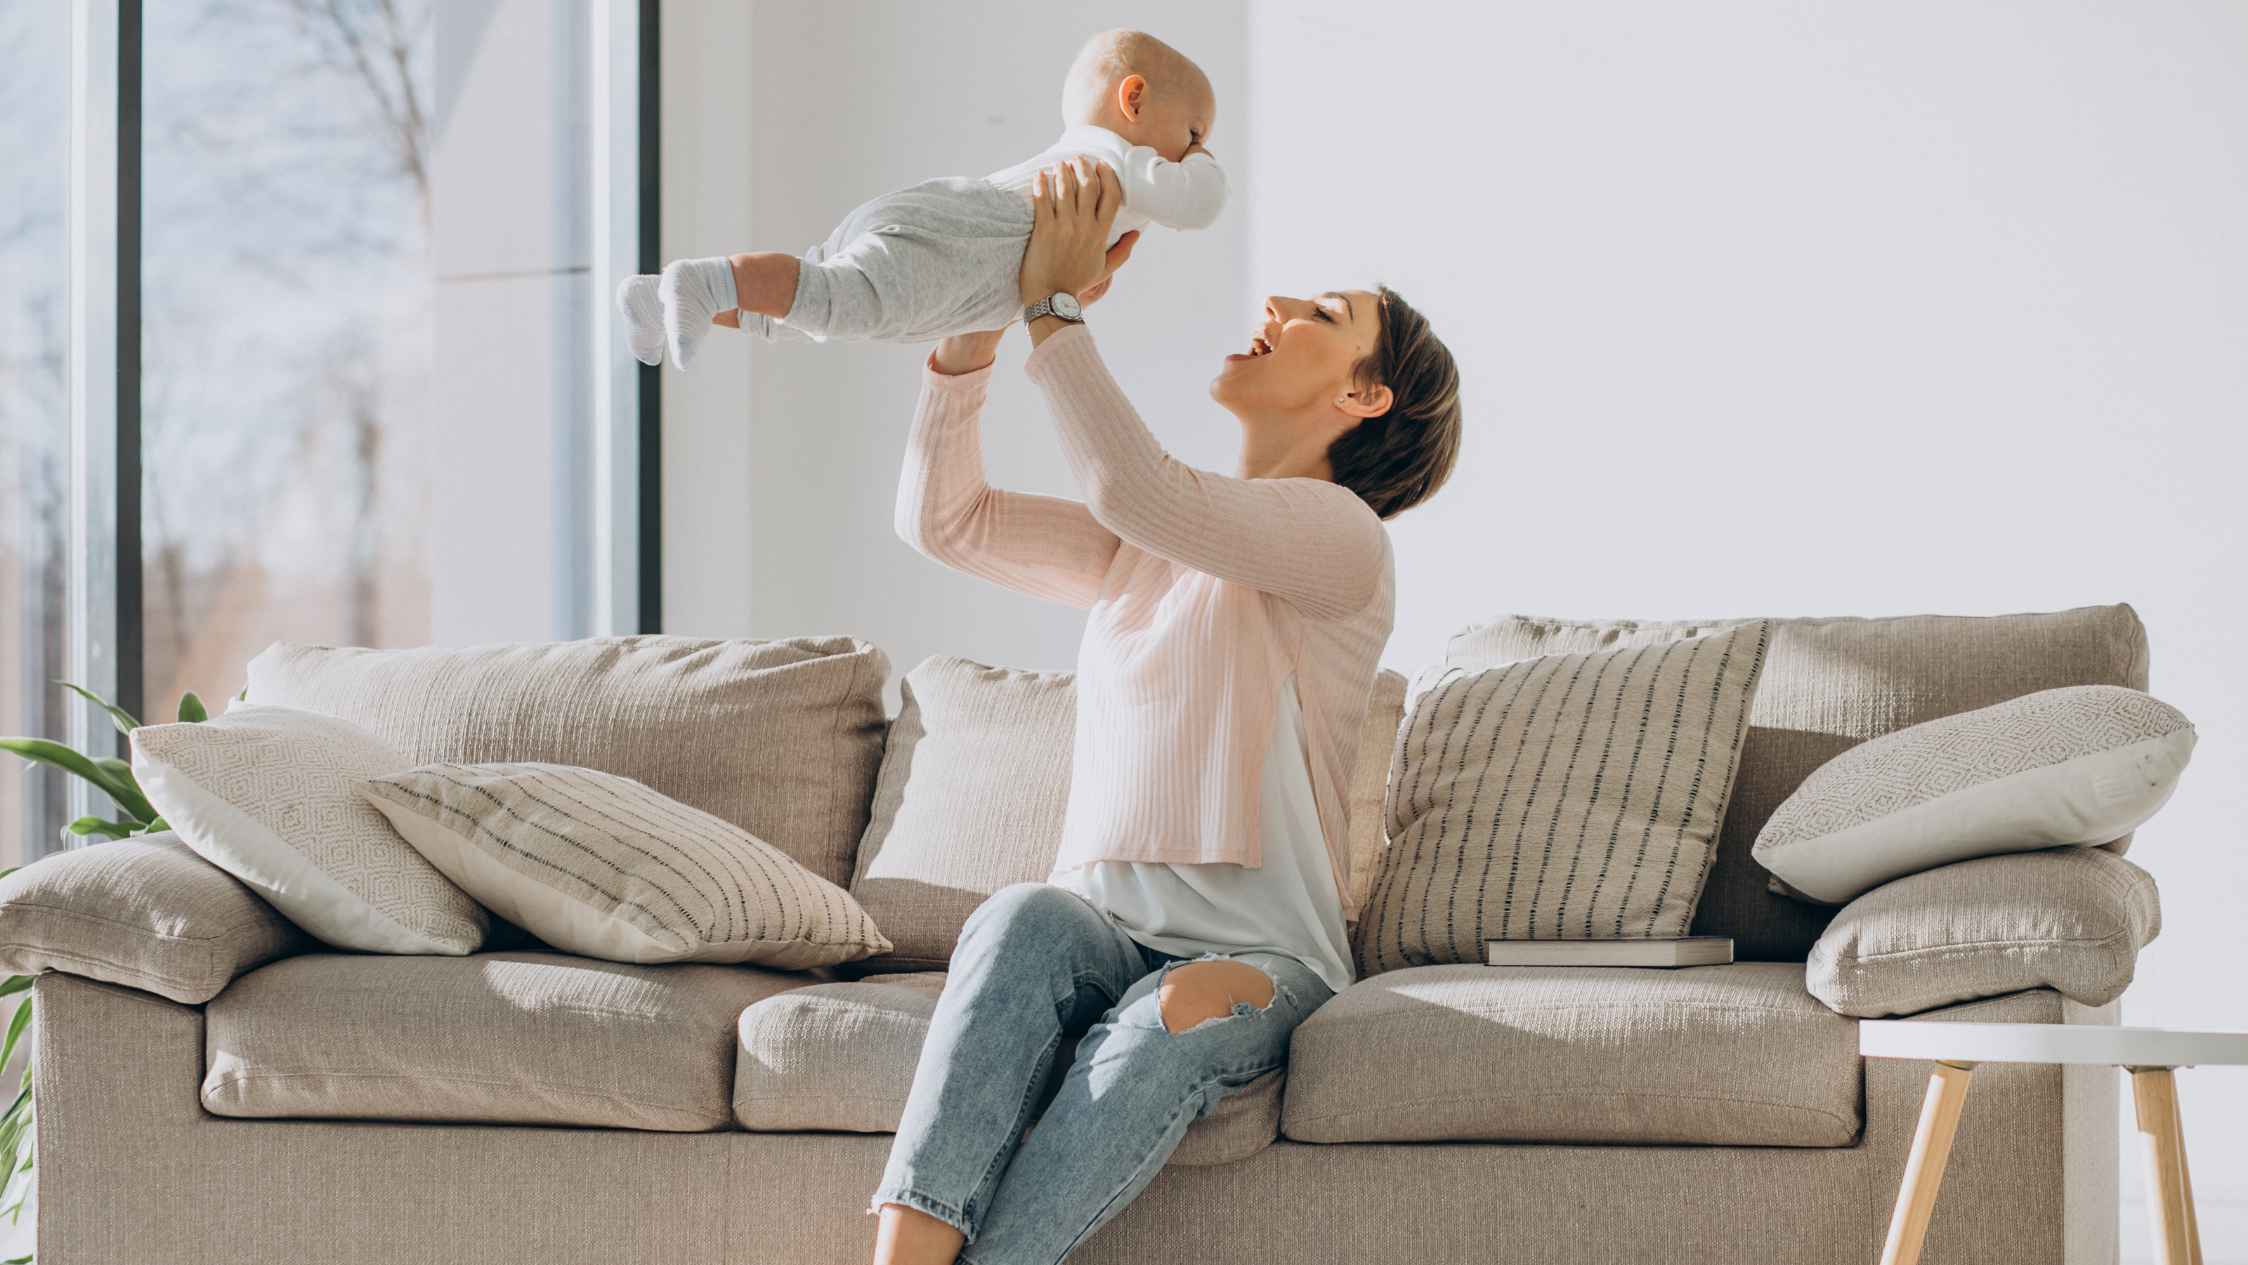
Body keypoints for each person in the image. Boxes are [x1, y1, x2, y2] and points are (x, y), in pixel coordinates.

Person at [867, 156, 1463, 1265]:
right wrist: (971, 327)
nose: (1278, 306)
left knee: (1170, 1018)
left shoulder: (1342, 537)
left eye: (1325, 316)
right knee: (1016, 919)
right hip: (1100, 926)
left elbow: (1139, 486)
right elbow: (945, 522)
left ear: (1362, 395)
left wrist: (1052, 308)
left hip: (1260, 954)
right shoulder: (1153, 541)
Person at [617, 28, 1225, 367]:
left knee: (806, 311)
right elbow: (1201, 204)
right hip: (959, 243)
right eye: (1194, 133)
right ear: (1135, 99)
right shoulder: (1116, 159)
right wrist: (1201, 162)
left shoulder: (1084, 157)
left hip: (939, 226)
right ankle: (701, 283)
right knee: (834, 302)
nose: (1192, 153)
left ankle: (656, 296)